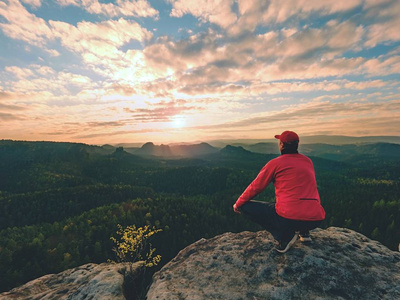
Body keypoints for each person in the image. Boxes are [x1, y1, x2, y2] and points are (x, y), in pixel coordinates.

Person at [233, 131, 325, 253]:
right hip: (315, 218)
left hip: (289, 218)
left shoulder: (275, 163)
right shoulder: (308, 161)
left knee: (246, 206)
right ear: (297, 145)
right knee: (295, 201)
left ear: (281, 144)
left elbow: (256, 187)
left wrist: (238, 203)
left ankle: (284, 237)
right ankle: (304, 232)